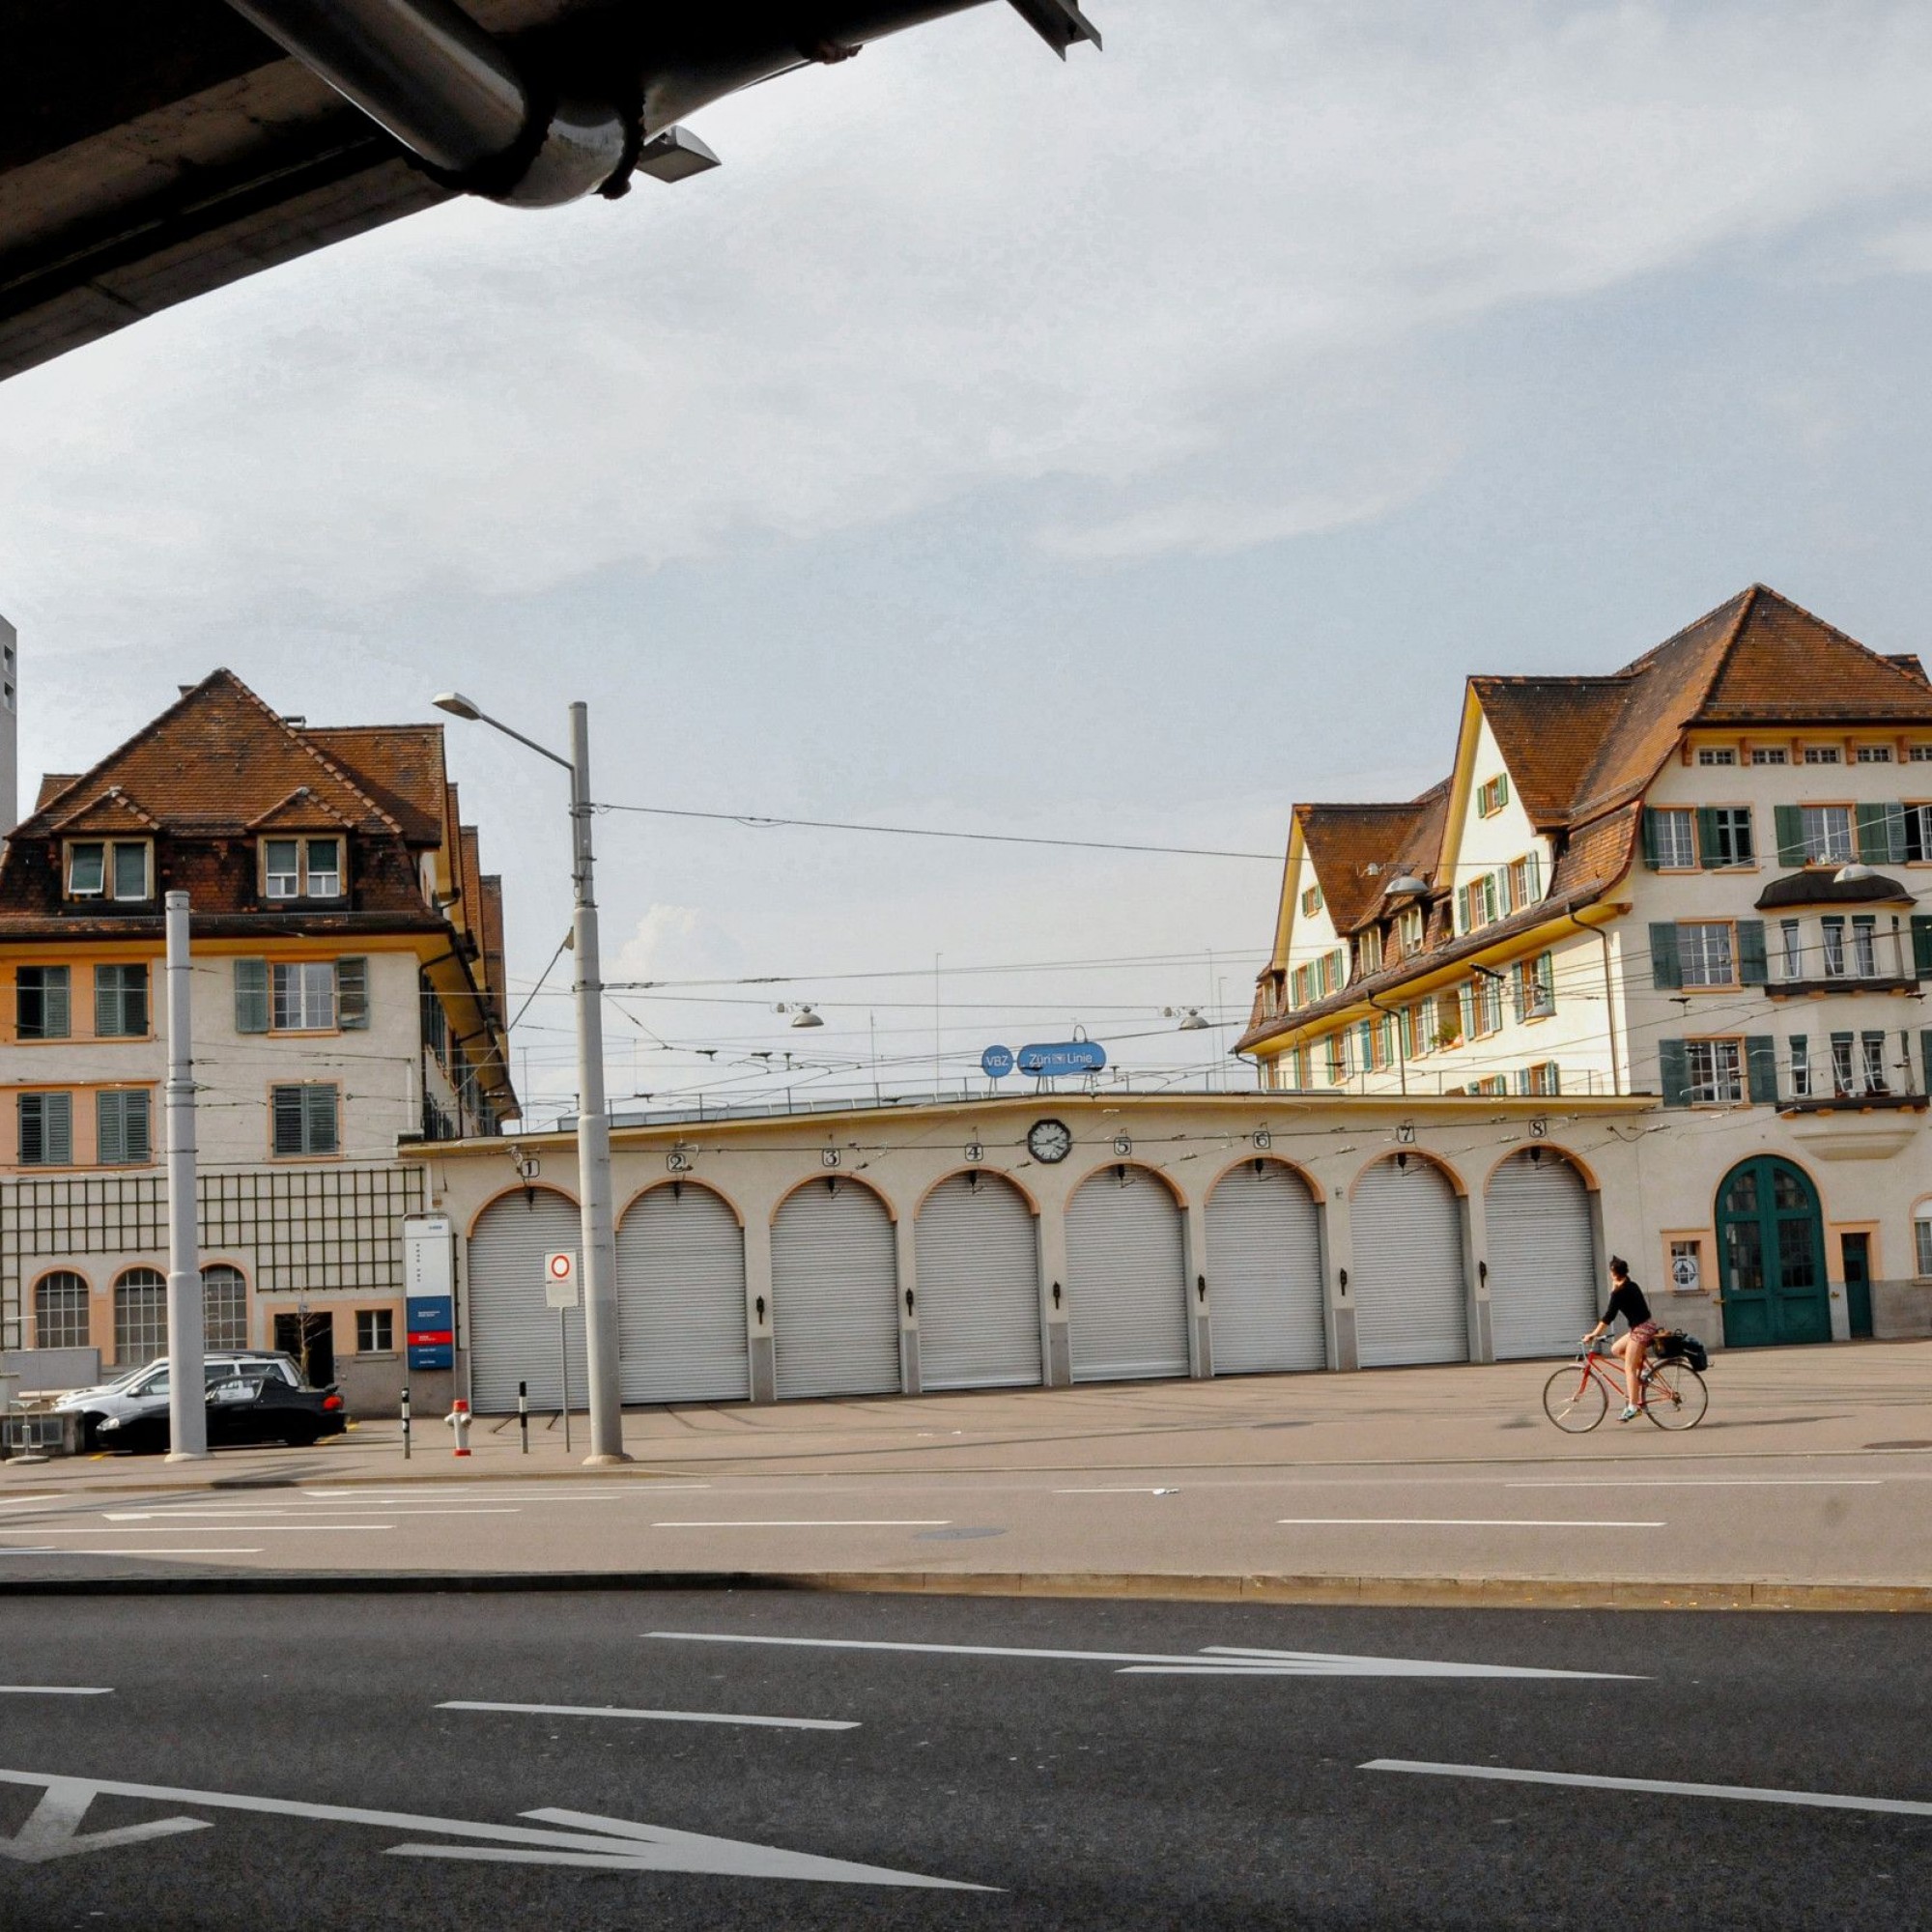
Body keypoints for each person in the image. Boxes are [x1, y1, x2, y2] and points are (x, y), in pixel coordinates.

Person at [1583, 1256, 1659, 1422]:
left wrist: (1593, 1334)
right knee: (1616, 1349)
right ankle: (1645, 1370)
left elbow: (1608, 1316)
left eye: (1611, 1272)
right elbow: (1616, 1300)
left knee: (1629, 1368)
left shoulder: (1619, 1293)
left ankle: (1633, 1407)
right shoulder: (1631, 1285)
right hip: (1644, 1327)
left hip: (1641, 1330)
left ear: (1614, 1273)